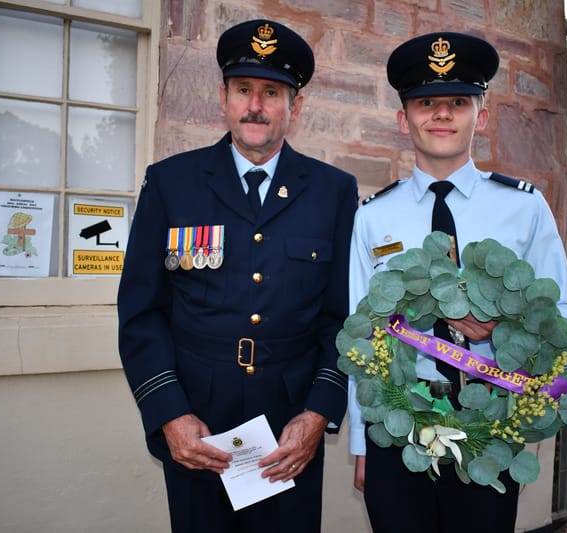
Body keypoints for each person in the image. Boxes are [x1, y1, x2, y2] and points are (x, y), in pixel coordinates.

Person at [117, 18, 358, 533]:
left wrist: (317, 413)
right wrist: (169, 413)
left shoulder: (333, 192)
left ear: (295, 105)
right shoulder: (171, 183)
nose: (255, 106)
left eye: (272, 93)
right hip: (198, 423)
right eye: (243, 89)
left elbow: (343, 318)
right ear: (222, 98)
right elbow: (142, 312)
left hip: (289, 429)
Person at [346, 32, 567, 532]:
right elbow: (361, 335)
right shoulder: (373, 216)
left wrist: (505, 329)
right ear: (403, 119)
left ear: (483, 115)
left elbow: (565, 308)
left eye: (458, 102)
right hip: (397, 424)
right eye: (425, 103)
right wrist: (362, 442)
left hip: (490, 425)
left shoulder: (522, 206)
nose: (441, 114)